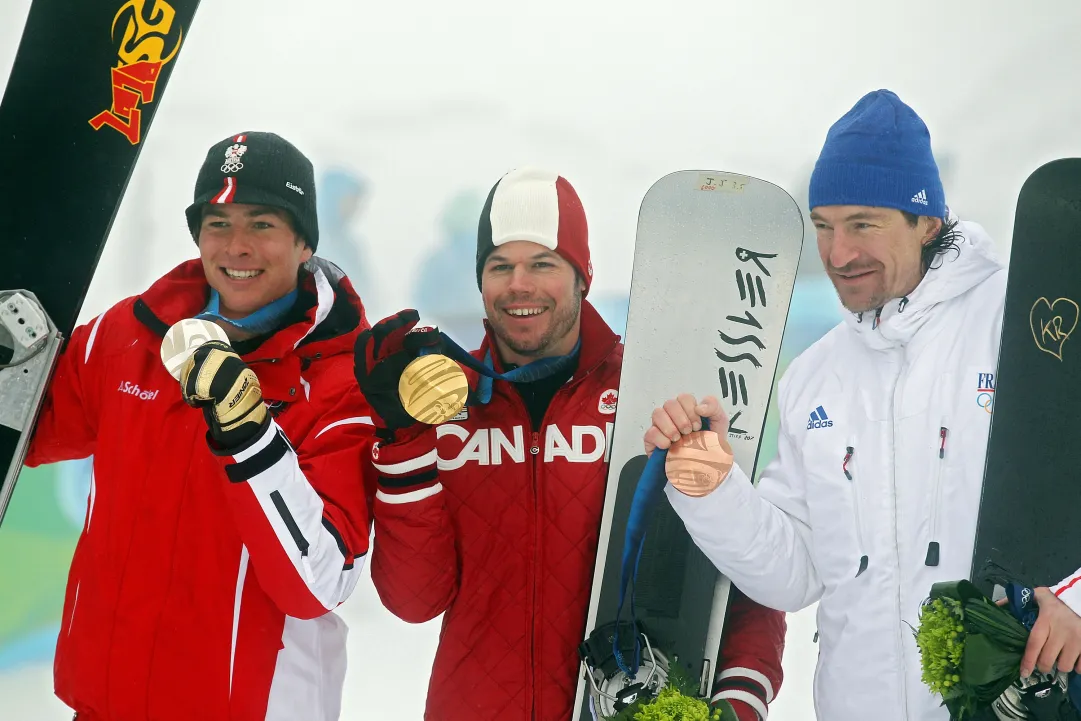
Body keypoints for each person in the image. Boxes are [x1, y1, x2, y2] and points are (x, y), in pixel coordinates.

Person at [643, 89, 1081, 720]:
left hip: (1011, 703)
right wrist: (710, 488)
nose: (839, 254)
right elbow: (793, 574)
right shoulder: (815, 377)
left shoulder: (1021, 322)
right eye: (823, 225)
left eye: (863, 224)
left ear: (927, 221)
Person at [353, 167, 787, 721]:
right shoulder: (447, 413)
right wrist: (401, 436)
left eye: (542, 264)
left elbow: (743, 561)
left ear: (583, 275)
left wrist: (741, 696)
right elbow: (414, 601)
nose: (519, 285)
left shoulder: (650, 398)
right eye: (499, 266)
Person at [25, 131, 377, 721]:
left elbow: (321, 583)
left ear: (304, 242)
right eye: (218, 222)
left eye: (262, 224)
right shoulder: (128, 336)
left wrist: (253, 439)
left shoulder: (342, 385)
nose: (237, 246)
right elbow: (25, 432)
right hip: (106, 702)